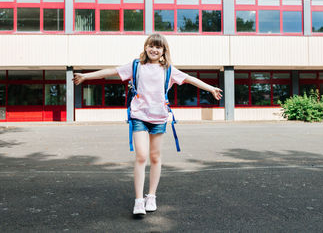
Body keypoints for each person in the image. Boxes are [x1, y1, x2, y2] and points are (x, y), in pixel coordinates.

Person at [73, 33, 223, 215]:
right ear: (146, 47)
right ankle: (138, 201)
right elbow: (112, 71)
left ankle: (151, 196)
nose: (154, 49)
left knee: (155, 157)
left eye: (158, 47)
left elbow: (191, 79)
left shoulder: (169, 70)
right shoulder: (136, 66)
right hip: (139, 116)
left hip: (159, 118)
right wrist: (86, 77)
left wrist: (211, 88)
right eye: (151, 45)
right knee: (141, 156)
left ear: (163, 51)